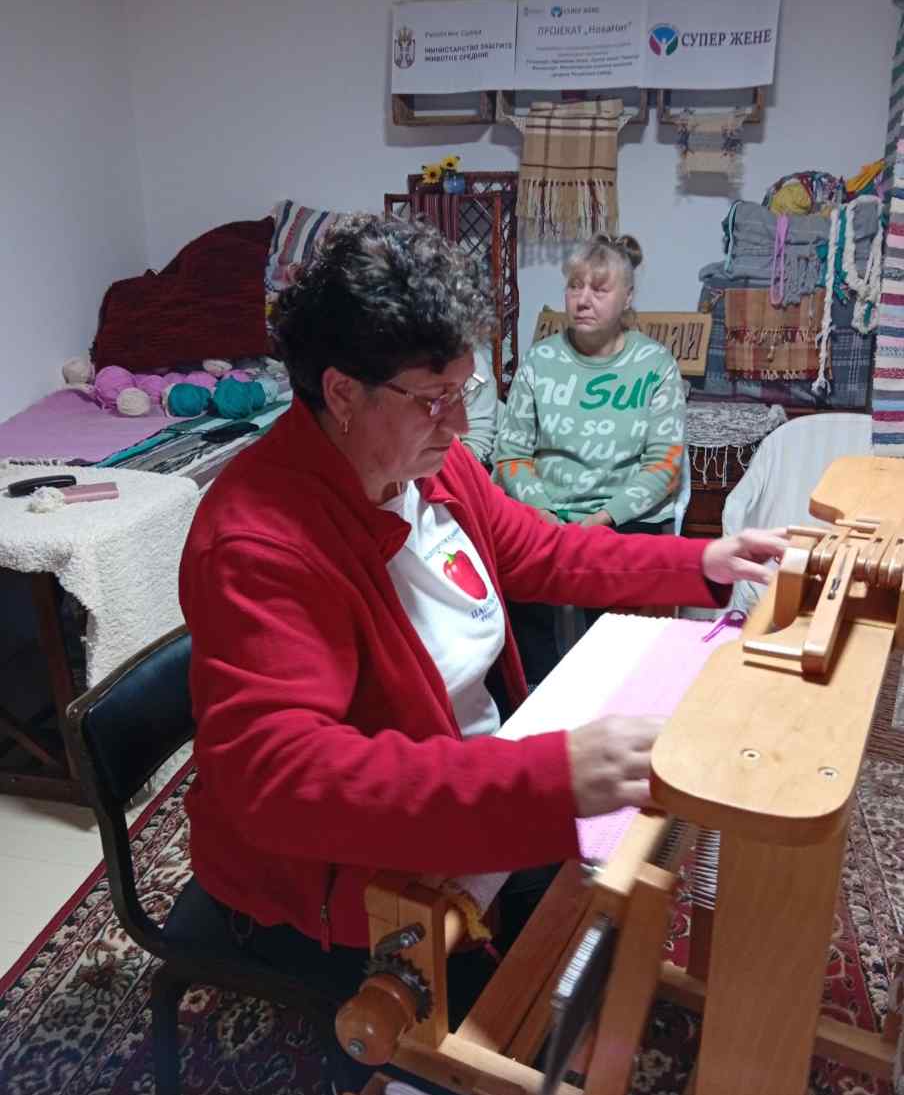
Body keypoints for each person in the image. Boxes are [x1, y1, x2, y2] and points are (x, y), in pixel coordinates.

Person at [178, 214, 785, 1043]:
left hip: (455, 779)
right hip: (333, 869)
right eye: (435, 400)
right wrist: (550, 777)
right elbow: (285, 779)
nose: (460, 426)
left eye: (462, 393)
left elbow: (538, 549)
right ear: (342, 392)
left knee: (591, 919)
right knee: (522, 1031)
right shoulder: (259, 543)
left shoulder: (430, 464)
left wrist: (703, 562)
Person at [494, 233, 686, 683]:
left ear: (627, 298)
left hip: (621, 519)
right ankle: (535, 696)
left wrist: (602, 519)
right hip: (544, 515)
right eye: (574, 286)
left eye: (599, 289)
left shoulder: (655, 365)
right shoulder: (539, 362)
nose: (582, 300)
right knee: (517, 589)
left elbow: (664, 466)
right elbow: (511, 455)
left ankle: (613, 694)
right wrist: (543, 513)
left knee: (617, 639)